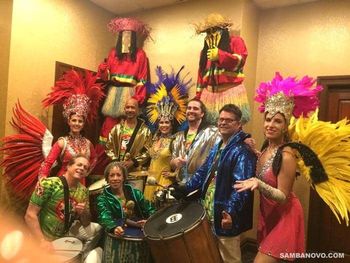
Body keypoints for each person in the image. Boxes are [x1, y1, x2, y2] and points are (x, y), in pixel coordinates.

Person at [234, 73, 323, 262]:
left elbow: (283, 197)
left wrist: (258, 183)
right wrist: (254, 152)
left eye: (277, 121)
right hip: (269, 215)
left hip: (286, 217)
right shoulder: (268, 148)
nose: (270, 125)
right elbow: (268, 167)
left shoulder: (287, 155)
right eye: (268, 119)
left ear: (285, 126)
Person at [173, 104, 257, 263]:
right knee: (212, 254)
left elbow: (242, 187)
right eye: (221, 119)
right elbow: (204, 171)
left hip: (225, 214)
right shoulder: (219, 145)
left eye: (229, 120)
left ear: (239, 124)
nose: (223, 123)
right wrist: (185, 188)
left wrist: (230, 212)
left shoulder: (242, 151)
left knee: (229, 257)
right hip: (210, 209)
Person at [24, 154, 103, 263]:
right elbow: (30, 215)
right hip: (42, 237)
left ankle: (80, 256)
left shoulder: (84, 191)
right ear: (68, 166)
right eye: (79, 164)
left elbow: (86, 223)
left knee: (98, 228)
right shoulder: (48, 184)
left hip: (65, 235)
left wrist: (83, 212)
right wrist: (42, 241)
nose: (81, 168)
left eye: (85, 168)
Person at [40, 70, 104, 185]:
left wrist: (86, 172)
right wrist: (42, 179)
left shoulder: (88, 143)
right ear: (69, 122)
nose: (77, 123)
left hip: (81, 182)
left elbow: (94, 158)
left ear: (83, 124)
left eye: (80, 121)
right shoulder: (62, 142)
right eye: (74, 120)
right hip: (63, 182)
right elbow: (48, 163)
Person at [194, 13, 251, 124]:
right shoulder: (204, 52)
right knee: (208, 128)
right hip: (208, 96)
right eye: (208, 32)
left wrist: (220, 55)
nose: (211, 34)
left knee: (230, 126)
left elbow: (240, 61)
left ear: (223, 29)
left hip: (230, 93)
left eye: (214, 30)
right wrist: (198, 99)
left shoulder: (236, 41)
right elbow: (201, 76)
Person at [143, 66, 189, 202]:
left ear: (172, 124)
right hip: (150, 182)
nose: (163, 125)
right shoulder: (154, 138)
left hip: (164, 183)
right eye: (161, 122)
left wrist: (174, 174)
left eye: (166, 122)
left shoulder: (176, 140)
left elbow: (182, 162)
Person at [97, 162, 155, 262]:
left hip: (140, 232)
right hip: (118, 234)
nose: (115, 178)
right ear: (107, 178)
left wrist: (150, 221)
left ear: (124, 177)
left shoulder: (135, 193)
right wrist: (113, 227)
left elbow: (150, 209)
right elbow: (104, 216)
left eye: (118, 175)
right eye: (112, 175)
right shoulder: (102, 198)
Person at [170, 98, 220, 183]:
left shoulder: (213, 133)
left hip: (201, 183)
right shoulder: (178, 137)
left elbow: (218, 158)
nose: (191, 111)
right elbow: (172, 163)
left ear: (202, 114)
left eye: (195, 108)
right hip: (180, 184)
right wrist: (174, 162)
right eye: (189, 108)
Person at [105, 97, 152, 173]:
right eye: (127, 107)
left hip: (136, 173)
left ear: (138, 110)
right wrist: (116, 161)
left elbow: (148, 150)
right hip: (118, 171)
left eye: (133, 107)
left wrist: (134, 162)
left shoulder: (145, 131)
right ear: (124, 109)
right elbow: (108, 147)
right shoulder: (116, 129)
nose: (130, 110)